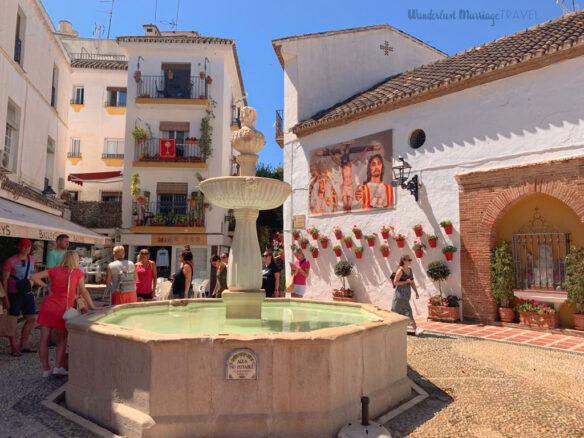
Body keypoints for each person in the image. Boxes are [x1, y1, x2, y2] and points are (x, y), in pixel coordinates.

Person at [31, 251, 101, 377]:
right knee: (62, 339)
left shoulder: (54, 270)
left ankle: (46, 369)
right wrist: (93, 306)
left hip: (48, 306)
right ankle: (58, 367)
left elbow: (33, 277)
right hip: (63, 308)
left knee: (43, 339)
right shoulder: (77, 273)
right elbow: (84, 291)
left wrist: (46, 287)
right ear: (75, 260)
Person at [2, 239, 39, 357]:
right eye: (24, 246)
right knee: (12, 321)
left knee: (32, 318)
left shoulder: (32, 259)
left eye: (28, 246)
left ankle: (23, 344)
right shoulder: (10, 261)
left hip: (28, 293)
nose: (26, 248)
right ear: (19, 247)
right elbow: (4, 281)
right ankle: (13, 347)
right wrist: (5, 298)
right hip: (14, 294)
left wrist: (34, 283)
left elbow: (33, 274)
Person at [328, 143, 370, 212]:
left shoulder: (350, 164)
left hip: (350, 186)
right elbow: (334, 159)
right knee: (345, 204)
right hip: (344, 186)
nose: (344, 159)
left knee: (349, 205)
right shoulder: (342, 165)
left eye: (345, 157)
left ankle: (349, 217)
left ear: (347, 157)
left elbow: (359, 157)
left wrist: (365, 150)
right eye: (343, 158)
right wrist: (330, 153)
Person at [392, 255, 423, 336]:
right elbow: (395, 282)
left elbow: (412, 282)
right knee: (407, 310)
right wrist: (406, 281)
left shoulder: (410, 270)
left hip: (406, 294)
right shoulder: (400, 270)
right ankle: (416, 329)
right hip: (400, 294)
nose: (410, 261)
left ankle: (394, 329)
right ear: (404, 261)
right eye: (409, 260)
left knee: (396, 312)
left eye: (410, 260)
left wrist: (416, 292)